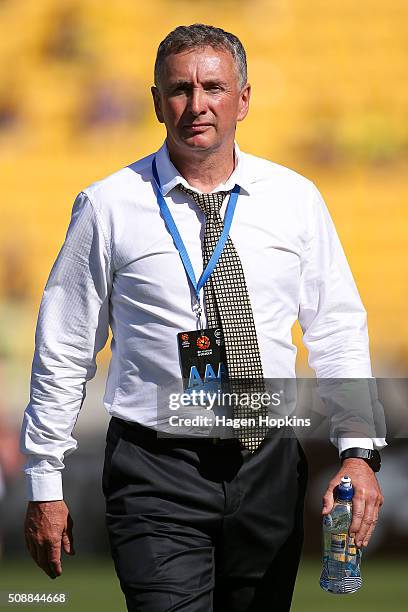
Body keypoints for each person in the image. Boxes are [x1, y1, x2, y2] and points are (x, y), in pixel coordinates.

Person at [21, 24, 386, 612]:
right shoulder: (108, 205)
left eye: (214, 87)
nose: (197, 106)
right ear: (157, 101)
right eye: (180, 89)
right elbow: (63, 348)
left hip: (270, 462)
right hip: (155, 470)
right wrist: (44, 481)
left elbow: (337, 330)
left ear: (243, 99)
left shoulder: (295, 199)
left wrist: (357, 452)